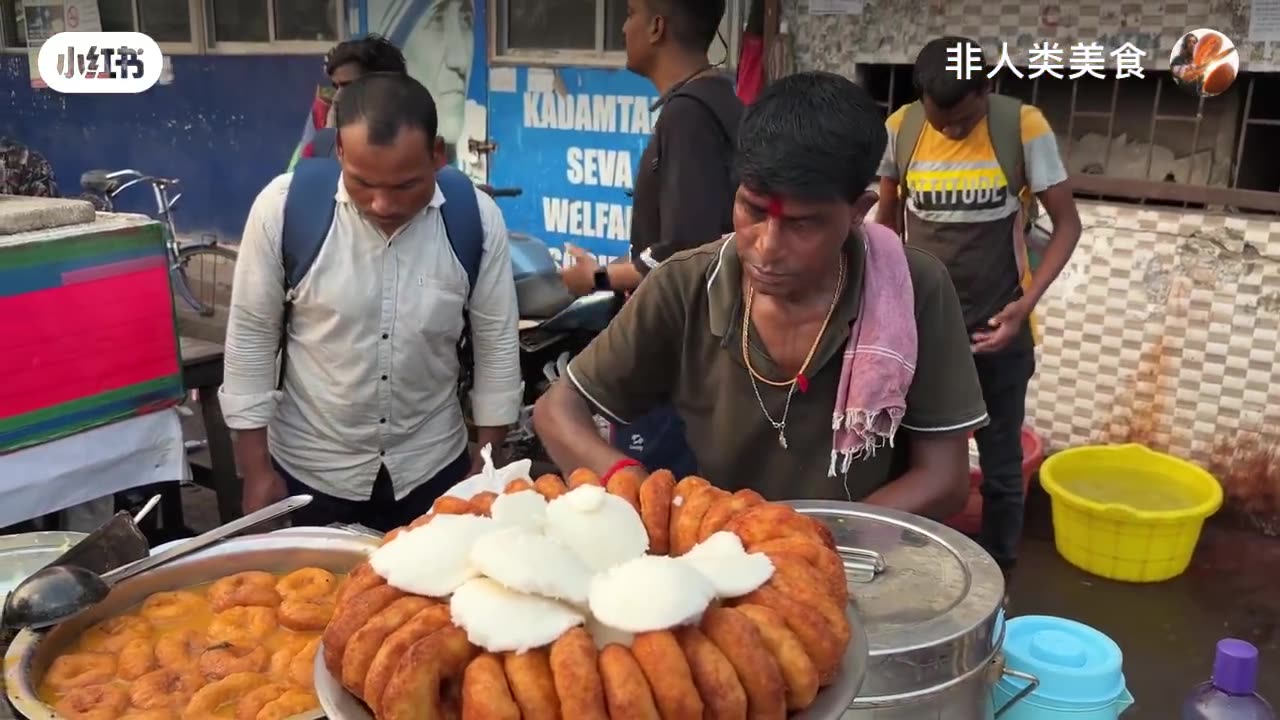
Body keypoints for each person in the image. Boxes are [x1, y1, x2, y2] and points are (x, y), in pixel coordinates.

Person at [534, 71, 987, 517]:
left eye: (802, 224)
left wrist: (810, 540)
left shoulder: (913, 287)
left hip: (860, 562)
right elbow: (558, 410)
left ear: (857, 212)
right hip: (717, 556)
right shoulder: (685, 284)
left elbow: (944, 481)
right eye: (752, 210)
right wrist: (627, 482)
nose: (767, 248)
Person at [220, 73, 522, 531]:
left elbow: (497, 345)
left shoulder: (475, 219)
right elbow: (251, 338)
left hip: (432, 472)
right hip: (309, 473)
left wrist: (487, 465)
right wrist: (255, 469)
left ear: (437, 155)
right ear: (339, 150)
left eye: (404, 186)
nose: (382, 203)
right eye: (363, 183)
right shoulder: (282, 209)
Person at [874, 37, 1082, 570]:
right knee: (906, 462)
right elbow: (889, 222)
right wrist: (886, 304)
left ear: (986, 90)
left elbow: (1067, 225)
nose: (950, 132)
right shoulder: (903, 128)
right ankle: (913, 572)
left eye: (963, 122)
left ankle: (999, 579)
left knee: (1002, 470)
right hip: (923, 333)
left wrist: (1025, 304)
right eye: (940, 121)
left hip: (999, 328)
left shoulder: (1022, 127)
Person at [558, 0, 743, 478]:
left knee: (654, 503)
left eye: (631, 13)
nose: (623, 27)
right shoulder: (718, 100)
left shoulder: (689, 116)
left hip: (674, 357)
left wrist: (594, 277)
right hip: (701, 353)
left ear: (657, 26)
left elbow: (686, 250)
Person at [287, 35, 408, 171]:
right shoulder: (324, 119)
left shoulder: (412, 137)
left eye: (349, 86)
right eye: (336, 87)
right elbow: (300, 180)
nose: (337, 97)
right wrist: (330, 134)